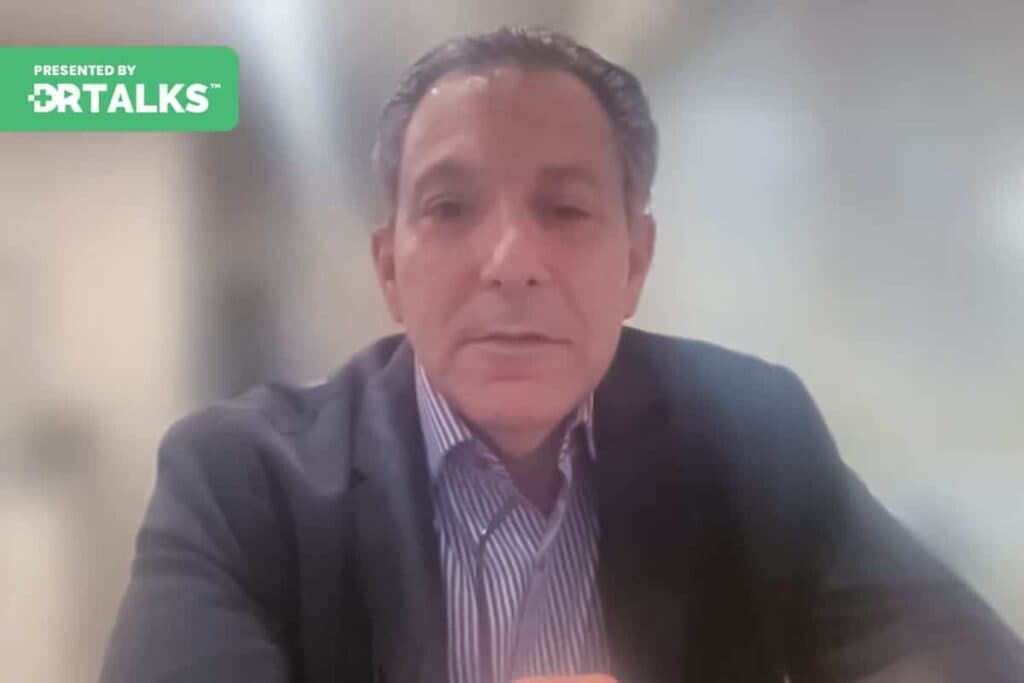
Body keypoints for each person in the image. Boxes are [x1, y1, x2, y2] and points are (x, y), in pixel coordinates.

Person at [101, 26, 1024, 683]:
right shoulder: (239, 477)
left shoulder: (751, 429)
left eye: (567, 208)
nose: (511, 262)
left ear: (635, 262)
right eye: (450, 208)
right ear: (390, 270)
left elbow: (954, 653)